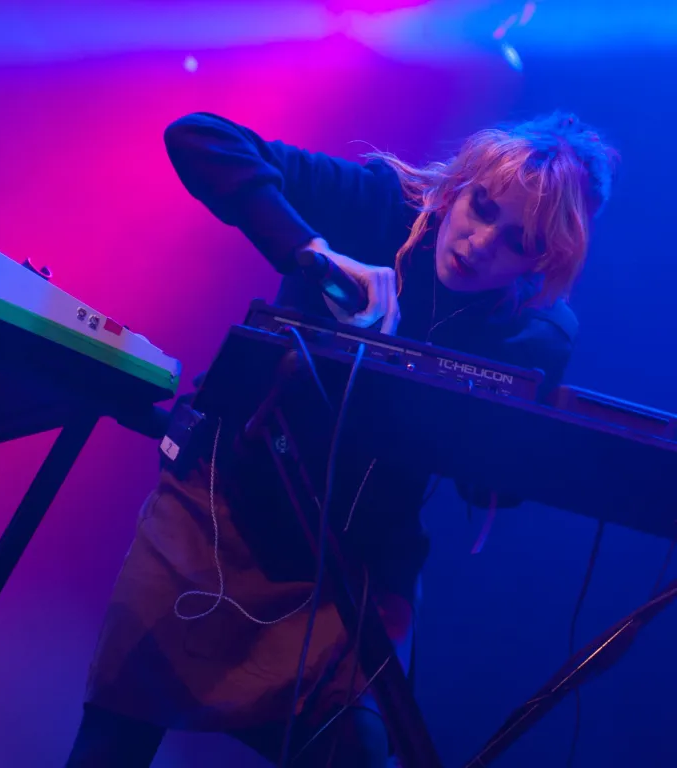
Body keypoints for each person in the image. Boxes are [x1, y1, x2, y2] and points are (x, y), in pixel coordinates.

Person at [65, 110, 618, 767]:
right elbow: (196, 137)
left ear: (545, 261)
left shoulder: (537, 331)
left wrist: (516, 445)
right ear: (461, 184)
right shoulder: (380, 203)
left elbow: (485, 481)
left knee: (361, 752)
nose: (479, 242)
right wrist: (311, 250)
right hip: (217, 516)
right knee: (114, 740)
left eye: (517, 241)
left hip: (353, 574)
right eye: (482, 206)